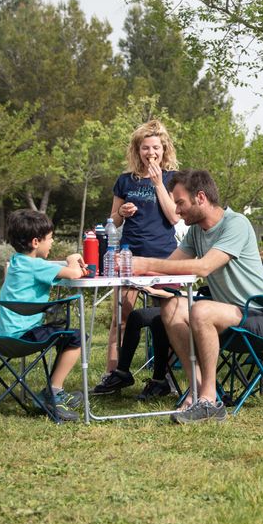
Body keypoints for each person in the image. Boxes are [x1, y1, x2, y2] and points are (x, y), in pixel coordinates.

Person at [132, 169, 263, 423]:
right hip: (228, 316)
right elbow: (166, 266)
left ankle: (210, 401)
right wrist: (123, 269)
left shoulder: (236, 224)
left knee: (200, 310)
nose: (176, 211)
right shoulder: (196, 232)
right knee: (170, 306)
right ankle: (197, 389)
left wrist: (145, 264)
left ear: (200, 197)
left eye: (180, 203)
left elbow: (203, 267)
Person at [93, 119, 182, 396]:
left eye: (155, 147)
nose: (150, 152)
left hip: (164, 257)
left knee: (167, 316)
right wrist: (123, 213)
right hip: (129, 256)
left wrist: (157, 183)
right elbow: (113, 222)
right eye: (145, 148)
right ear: (137, 150)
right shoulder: (125, 180)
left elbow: (174, 216)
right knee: (120, 316)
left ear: (164, 148)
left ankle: (161, 379)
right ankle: (114, 375)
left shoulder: (173, 178)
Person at [0, 208, 87, 422]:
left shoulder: (19, 262)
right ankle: (54, 392)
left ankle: (53, 391)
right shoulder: (36, 266)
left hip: (5, 336)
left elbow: (47, 269)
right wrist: (72, 257)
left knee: (62, 333)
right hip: (24, 336)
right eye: (50, 238)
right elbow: (75, 273)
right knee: (77, 337)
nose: (52, 242)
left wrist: (66, 263)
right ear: (36, 242)